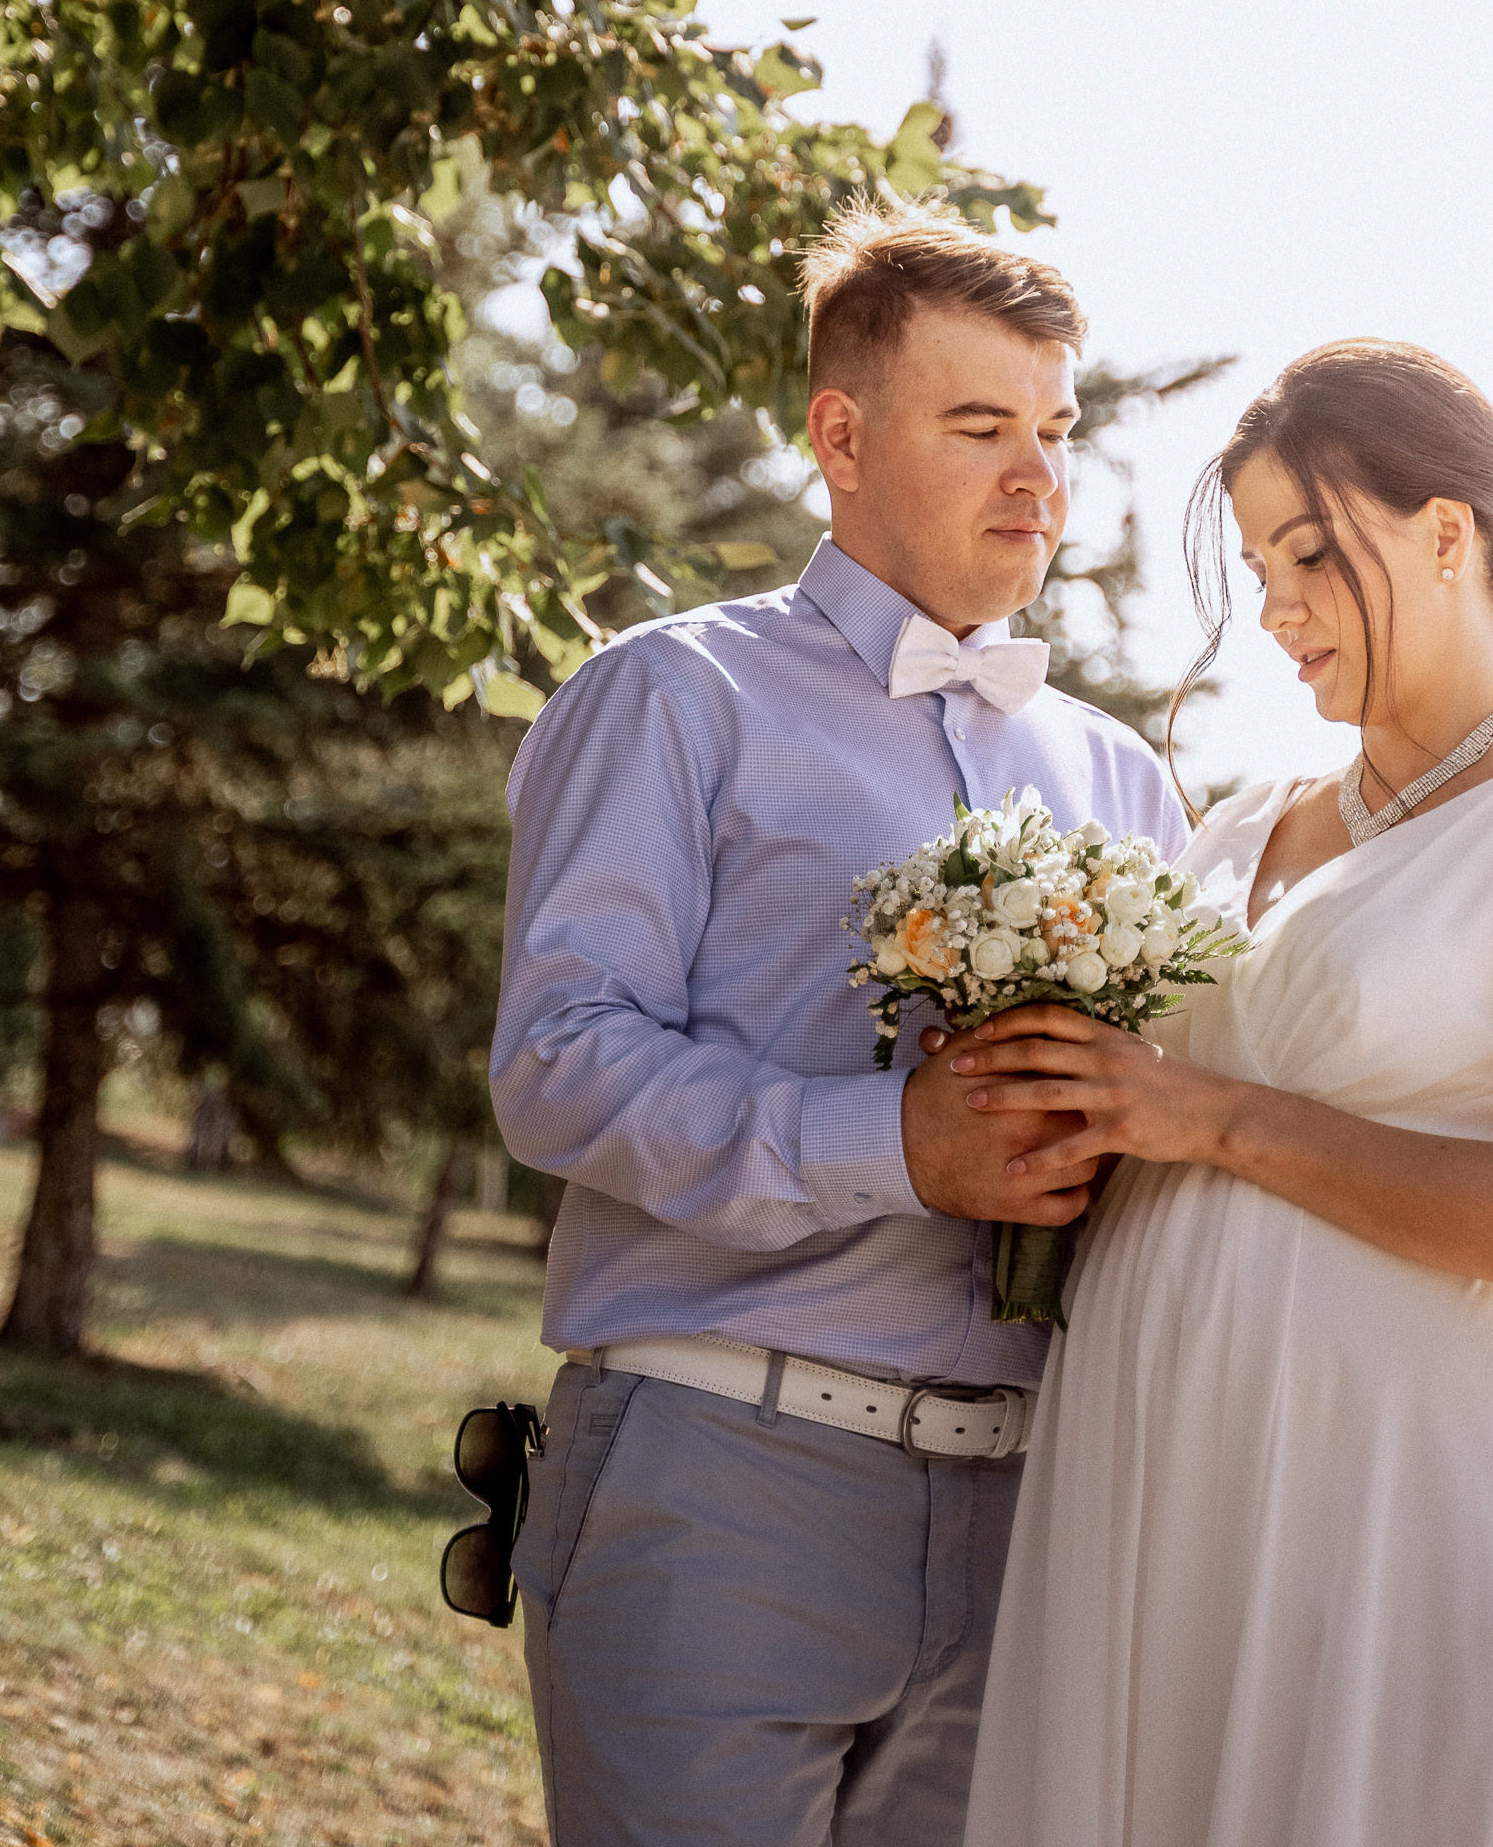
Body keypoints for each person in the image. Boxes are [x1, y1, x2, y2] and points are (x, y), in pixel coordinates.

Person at [488, 204, 1188, 1847]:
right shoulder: (671, 698)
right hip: (721, 1479)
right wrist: (899, 1143)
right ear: (841, 435)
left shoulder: (1124, 780)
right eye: (980, 428)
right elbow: (558, 1064)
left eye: (1055, 431)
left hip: (1029, 1523)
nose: (1040, 478)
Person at [954, 340, 1493, 1847]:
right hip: (1174, 1505)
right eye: (1255, 562)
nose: (1275, 608)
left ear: (1442, 536)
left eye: (1309, 553)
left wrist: (1207, 1119)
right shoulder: (1227, 833)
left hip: (1406, 1531)